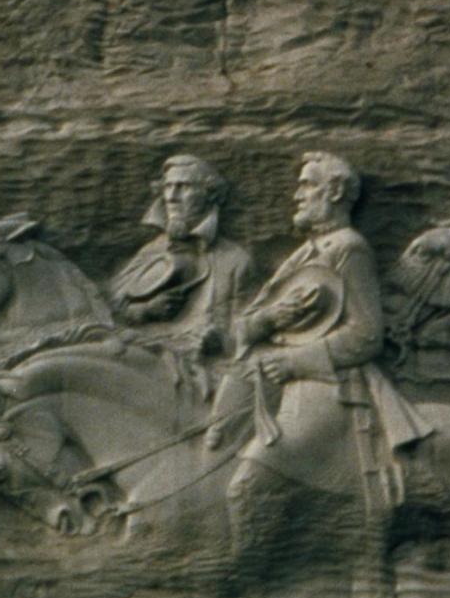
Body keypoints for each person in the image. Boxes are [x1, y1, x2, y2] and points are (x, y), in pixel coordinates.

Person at [219, 151, 432, 518]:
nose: (297, 195)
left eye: (307, 185)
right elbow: (246, 323)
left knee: (247, 488)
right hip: (265, 380)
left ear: (334, 192)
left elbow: (366, 334)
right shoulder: (305, 253)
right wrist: (270, 319)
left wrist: (294, 361)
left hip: (327, 387)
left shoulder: (349, 248)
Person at [108, 154, 255, 356]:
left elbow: (247, 332)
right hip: (146, 355)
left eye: (183, 187)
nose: (171, 197)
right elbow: (107, 308)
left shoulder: (235, 260)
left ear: (209, 193)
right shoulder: (152, 251)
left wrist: (219, 341)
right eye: (168, 187)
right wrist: (145, 310)